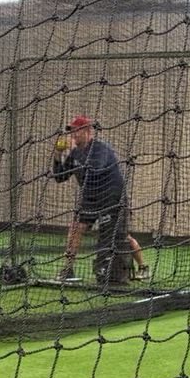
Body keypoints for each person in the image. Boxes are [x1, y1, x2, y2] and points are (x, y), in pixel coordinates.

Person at [51, 115, 140, 285]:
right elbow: (59, 177)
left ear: (87, 131)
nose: (73, 134)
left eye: (77, 131)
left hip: (111, 197)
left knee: (119, 236)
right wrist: (58, 155)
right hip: (91, 197)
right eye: (72, 131)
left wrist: (75, 152)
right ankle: (68, 270)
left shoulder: (100, 148)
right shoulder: (75, 153)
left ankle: (138, 267)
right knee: (75, 229)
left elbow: (95, 168)